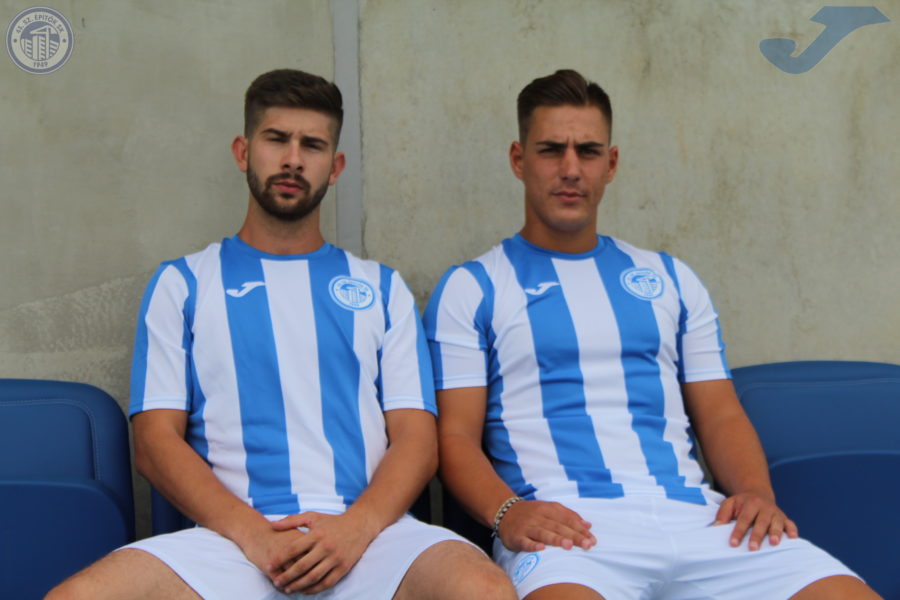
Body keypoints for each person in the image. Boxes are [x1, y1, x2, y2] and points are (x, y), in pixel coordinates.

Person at [48, 69, 515, 600]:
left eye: (312, 145)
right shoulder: (183, 283)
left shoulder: (381, 288)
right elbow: (155, 444)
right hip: (231, 542)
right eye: (277, 139)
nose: (293, 159)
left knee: (482, 590)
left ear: (335, 167)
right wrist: (255, 537)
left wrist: (355, 530)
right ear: (243, 151)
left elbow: (417, 439)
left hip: (369, 537)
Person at [423, 69, 881, 600]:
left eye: (588, 151)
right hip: (566, 531)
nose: (570, 169)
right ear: (519, 160)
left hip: (701, 519)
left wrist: (756, 492)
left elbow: (720, 412)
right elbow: (454, 437)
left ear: (611, 163)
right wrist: (507, 513)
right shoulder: (472, 287)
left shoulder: (670, 278)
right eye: (551, 150)